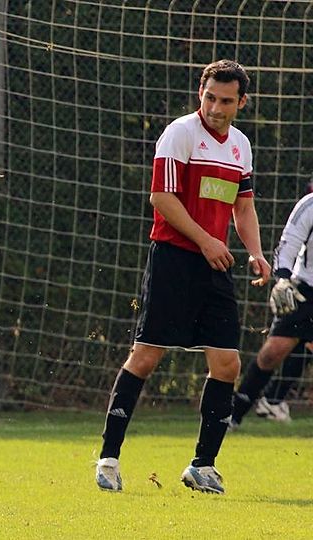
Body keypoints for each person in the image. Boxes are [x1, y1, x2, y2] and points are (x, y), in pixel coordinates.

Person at [94, 60, 271, 494]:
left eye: (226, 100)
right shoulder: (180, 133)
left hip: (215, 264)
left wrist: (255, 253)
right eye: (210, 97)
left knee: (227, 364)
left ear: (241, 102)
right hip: (174, 259)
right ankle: (109, 459)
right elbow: (162, 198)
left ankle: (202, 466)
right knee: (145, 357)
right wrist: (206, 240)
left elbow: (243, 206)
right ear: (200, 93)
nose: (215, 107)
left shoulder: (241, 146)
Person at [231, 192, 313, 427]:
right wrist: (283, 280)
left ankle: (273, 400)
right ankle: (234, 415)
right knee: (272, 352)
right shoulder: (309, 206)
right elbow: (288, 245)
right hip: (305, 288)